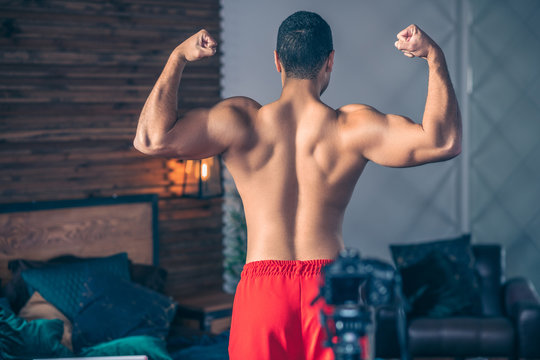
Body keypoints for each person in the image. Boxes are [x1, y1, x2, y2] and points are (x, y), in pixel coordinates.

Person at [134, 10, 461, 360]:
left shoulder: (241, 122)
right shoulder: (351, 127)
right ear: (330, 61)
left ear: (277, 61)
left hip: (263, 289)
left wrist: (178, 57)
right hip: (332, 288)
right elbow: (442, 142)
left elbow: (150, 139)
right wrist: (434, 57)